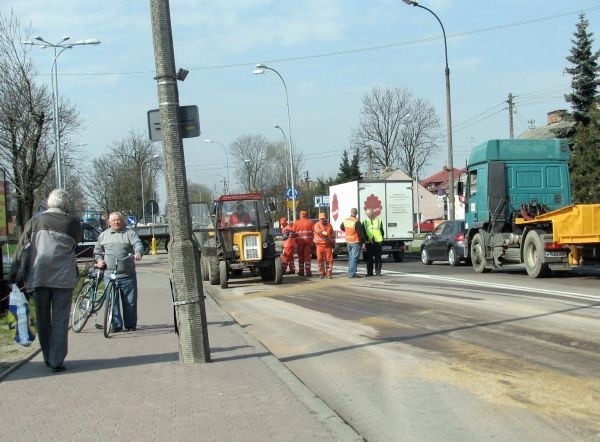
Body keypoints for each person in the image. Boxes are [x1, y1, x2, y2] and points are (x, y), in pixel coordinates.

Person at [12, 188, 83, 372]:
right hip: (63, 277)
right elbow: (77, 241)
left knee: (43, 319)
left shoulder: (36, 220)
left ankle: (47, 356)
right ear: (66, 204)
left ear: (48, 202)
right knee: (60, 319)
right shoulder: (73, 222)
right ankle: (56, 360)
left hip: (39, 276)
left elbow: (21, 247)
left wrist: (15, 272)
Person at [94, 211, 144, 332]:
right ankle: (116, 325)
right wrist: (100, 260)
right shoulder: (103, 235)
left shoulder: (129, 233)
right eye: (113, 220)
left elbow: (138, 244)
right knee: (112, 302)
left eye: (118, 220)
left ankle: (130, 325)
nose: (116, 222)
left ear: (123, 221)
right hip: (109, 275)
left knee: (130, 302)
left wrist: (138, 253)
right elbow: (97, 250)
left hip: (127, 275)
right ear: (109, 222)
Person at [340, 208, 366, 278]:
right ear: (356, 213)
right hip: (355, 242)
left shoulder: (346, 220)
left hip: (348, 241)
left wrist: (348, 231)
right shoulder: (356, 221)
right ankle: (352, 273)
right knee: (354, 258)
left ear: (351, 212)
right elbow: (360, 234)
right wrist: (363, 242)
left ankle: (350, 272)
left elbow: (341, 227)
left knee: (351, 258)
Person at [363, 208, 385, 276]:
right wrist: (367, 239)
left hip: (378, 241)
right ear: (366, 214)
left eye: (370, 213)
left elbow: (382, 231)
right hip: (369, 242)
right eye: (368, 213)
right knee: (369, 258)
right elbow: (363, 232)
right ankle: (369, 272)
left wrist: (381, 238)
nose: (369, 214)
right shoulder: (365, 221)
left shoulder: (379, 220)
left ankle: (378, 272)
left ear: (373, 213)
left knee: (378, 258)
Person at [293, 210, 314, 277]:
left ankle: (301, 272)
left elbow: (293, 233)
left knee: (300, 257)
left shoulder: (296, 223)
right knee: (307, 257)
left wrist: (295, 241)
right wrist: (312, 240)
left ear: (300, 215)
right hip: (308, 242)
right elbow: (314, 232)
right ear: (306, 215)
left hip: (299, 242)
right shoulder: (310, 222)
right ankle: (308, 272)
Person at [313, 213, 334, 279]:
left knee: (329, 260)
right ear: (319, 219)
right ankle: (322, 273)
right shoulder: (317, 225)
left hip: (328, 245)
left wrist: (333, 243)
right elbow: (318, 231)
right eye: (321, 219)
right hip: (319, 245)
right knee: (320, 259)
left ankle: (329, 273)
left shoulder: (329, 225)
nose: (322, 220)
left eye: (323, 218)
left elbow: (330, 234)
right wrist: (324, 233)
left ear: (325, 218)